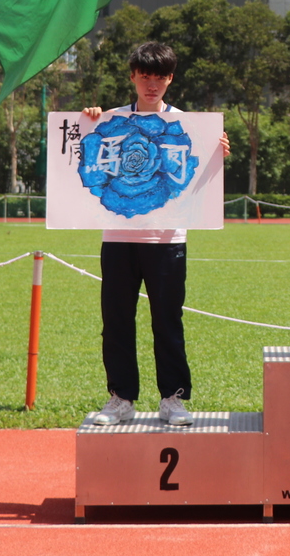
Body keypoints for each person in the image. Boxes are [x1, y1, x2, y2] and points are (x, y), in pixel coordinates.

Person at [83, 42, 229, 427]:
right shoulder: (110, 119)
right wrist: (88, 121)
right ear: (132, 76)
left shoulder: (188, 125)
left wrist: (216, 154)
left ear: (170, 79)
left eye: (160, 78)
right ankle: (120, 398)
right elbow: (86, 152)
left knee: (167, 321)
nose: (152, 85)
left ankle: (172, 399)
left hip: (167, 242)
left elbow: (198, 179)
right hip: (118, 240)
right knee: (116, 320)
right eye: (145, 77)